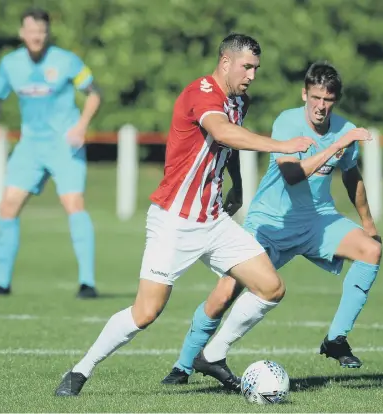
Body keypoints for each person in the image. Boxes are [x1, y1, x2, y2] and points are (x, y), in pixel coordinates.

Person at [54, 33, 316, 397]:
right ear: (225, 62)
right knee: (146, 312)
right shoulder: (202, 93)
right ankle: (80, 370)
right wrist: (282, 146)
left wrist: (237, 185)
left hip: (213, 219)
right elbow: (222, 130)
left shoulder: (240, 100)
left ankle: (212, 354)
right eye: (247, 67)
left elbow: (230, 142)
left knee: (271, 287)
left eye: (256, 68)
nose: (252, 75)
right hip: (174, 221)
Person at [161, 61, 381, 386]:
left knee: (370, 250)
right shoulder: (288, 122)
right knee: (226, 291)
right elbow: (292, 176)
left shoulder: (343, 128)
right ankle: (184, 364)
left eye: (328, 100)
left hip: (317, 221)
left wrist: (368, 223)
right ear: (304, 93)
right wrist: (336, 145)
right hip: (270, 223)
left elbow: (351, 175)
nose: (321, 106)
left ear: (336, 100)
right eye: (316, 98)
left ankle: (336, 339)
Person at [0, 7, 102, 299]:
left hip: (64, 145)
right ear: (22, 33)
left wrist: (81, 126)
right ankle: (2, 284)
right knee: (8, 206)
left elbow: (94, 93)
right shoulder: (10, 64)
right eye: (31, 31)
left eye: (41, 31)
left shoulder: (67, 61)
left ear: (47, 33)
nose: (36, 36)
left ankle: (87, 283)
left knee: (74, 203)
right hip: (30, 146)